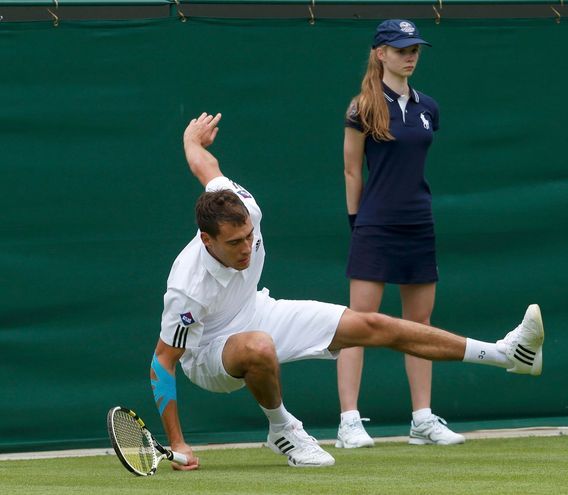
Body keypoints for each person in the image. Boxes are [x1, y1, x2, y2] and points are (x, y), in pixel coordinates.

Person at [149, 111, 545, 470]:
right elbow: (163, 362)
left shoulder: (243, 207)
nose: (246, 248)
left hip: (256, 311)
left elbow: (208, 166)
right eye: (234, 243)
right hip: (209, 356)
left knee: (374, 325)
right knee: (257, 347)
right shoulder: (187, 287)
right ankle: (282, 429)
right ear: (206, 240)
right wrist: (178, 442)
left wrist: (190, 141)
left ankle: (507, 354)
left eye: (249, 237)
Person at [338, 19, 457, 448]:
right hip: (374, 225)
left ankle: (422, 420)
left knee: (419, 324)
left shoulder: (429, 108)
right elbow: (353, 169)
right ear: (380, 53)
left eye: (415, 50)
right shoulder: (361, 107)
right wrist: (358, 222)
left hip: (418, 224)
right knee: (357, 325)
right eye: (402, 49)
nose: (410, 57)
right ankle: (349, 422)